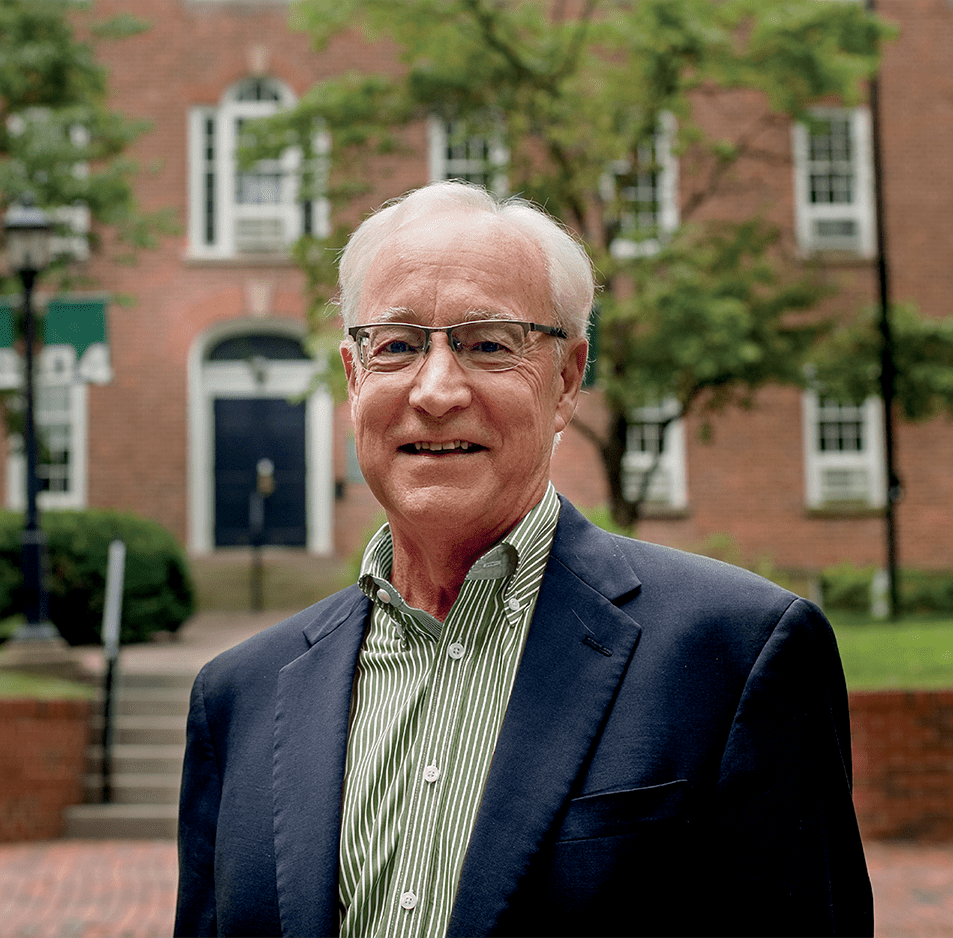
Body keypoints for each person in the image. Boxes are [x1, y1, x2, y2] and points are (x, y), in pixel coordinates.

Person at [175, 181, 873, 938]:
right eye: (399, 345)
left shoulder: (735, 656)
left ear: (567, 380)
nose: (435, 391)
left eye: (488, 344)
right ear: (353, 376)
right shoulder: (238, 698)